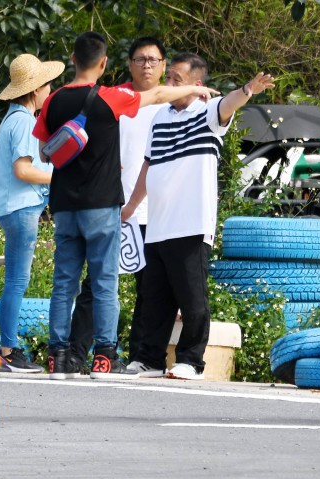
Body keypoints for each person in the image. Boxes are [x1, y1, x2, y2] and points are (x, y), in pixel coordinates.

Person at [34, 31, 216, 380]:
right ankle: (104, 357)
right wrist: (194, 89)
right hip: (102, 205)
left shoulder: (53, 100)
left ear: (73, 60)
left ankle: (58, 356)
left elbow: (45, 150)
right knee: (104, 282)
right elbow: (160, 93)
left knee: (64, 283)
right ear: (103, 64)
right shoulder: (110, 97)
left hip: (64, 207)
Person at [121, 54, 275, 379]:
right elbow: (148, 165)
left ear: (197, 84)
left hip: (191, 221)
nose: (170, 84)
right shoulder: (159, 116)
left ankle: (191, 361)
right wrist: (132, 206)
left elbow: (229, 104)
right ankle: (149, 358)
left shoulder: (207, 113)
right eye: (170, 79)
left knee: (192, 296)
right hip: (158, 223)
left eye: (177, 79)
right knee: (154, 298)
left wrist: (248, 89)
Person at [65, 36, 169, 373]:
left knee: (149, 290)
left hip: (155, 211)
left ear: (164, 65)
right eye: (140, 59)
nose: (147, 65)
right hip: (112, 205)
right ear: (128, 64)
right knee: (95, 286)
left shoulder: (171, 105)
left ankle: (138, 357)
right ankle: (77, 352)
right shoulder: (114, 99)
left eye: (153, 60)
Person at [0, 54, 63, 373]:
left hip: (14, 208)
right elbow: (24, 170)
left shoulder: (13, 118)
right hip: (21, 209)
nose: (50, 90)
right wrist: (62, 174)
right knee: (17, 280)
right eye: (47, 85)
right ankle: (8, 350)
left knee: (16, 279)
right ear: (35, 90)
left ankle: (6, 349)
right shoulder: (22, 122)